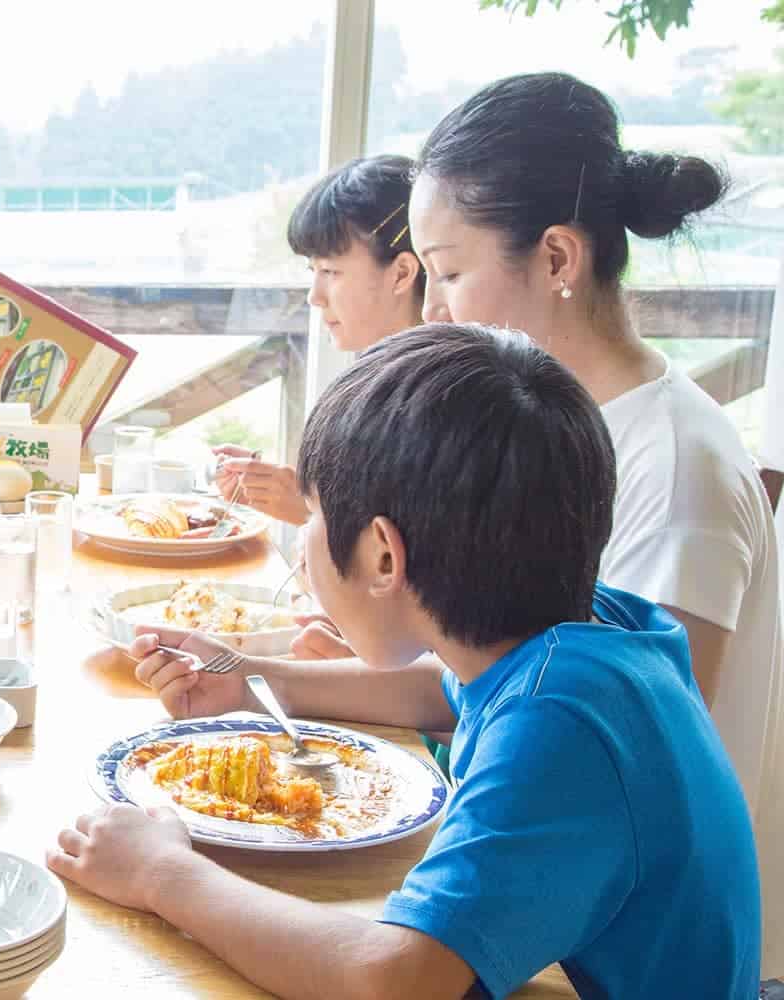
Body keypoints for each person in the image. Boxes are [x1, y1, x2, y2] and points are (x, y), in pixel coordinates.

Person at [144, 71, 784, 977]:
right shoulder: (558, 579)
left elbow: (578, 763)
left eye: (444, 273)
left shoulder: (670, 469)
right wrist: (248, 679)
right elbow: (476, 676)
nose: (429, 308)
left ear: (557, 259)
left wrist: (166, 874)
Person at [61, 324, 761, 999]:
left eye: (310, 514)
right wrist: (249, 680)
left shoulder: (562, 722)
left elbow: (393, 979)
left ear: (383, 556)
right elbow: (447, 689)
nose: (304, 541)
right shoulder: (583, 632)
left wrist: (162, 873)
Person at [214, 155, 424, 526]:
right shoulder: (378, 374)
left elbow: (407, 554)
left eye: (331, 271)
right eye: (313, 271)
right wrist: (290, 495)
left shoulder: (434, 397)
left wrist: (307, 511)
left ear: (402, 272)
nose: (315, 296)